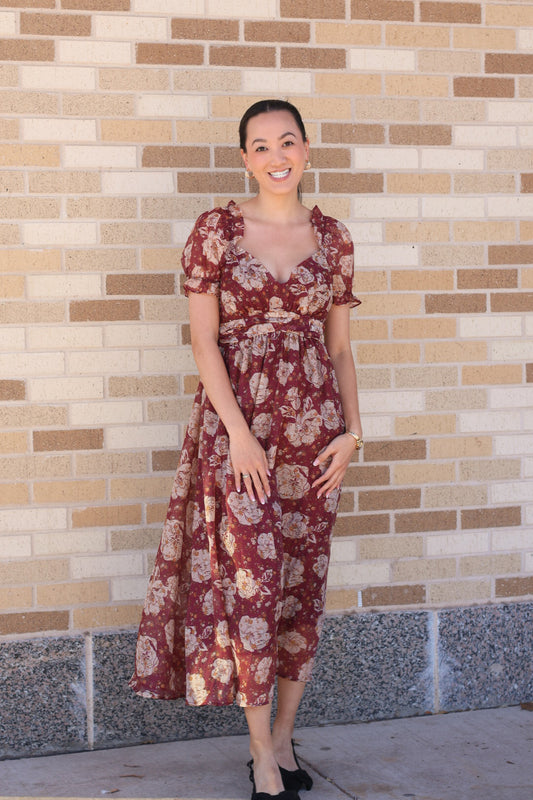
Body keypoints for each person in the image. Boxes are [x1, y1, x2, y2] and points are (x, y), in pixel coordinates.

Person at [129, 99, 363, 800]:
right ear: (244, 159)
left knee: (300, 590)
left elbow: (342, 350)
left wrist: (353, 433)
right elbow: (203, 340)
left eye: (286, 140)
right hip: (239, 438)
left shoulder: (334, 239)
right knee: (251, 587)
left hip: (316, 439)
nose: (275, 154)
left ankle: (285, 738)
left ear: (306, 148)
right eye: (260, 145)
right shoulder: (216, 231)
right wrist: (237, 434)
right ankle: (261, 753)